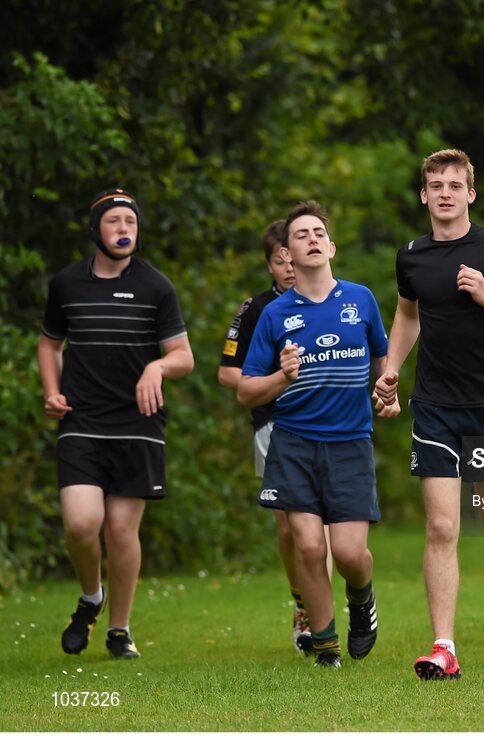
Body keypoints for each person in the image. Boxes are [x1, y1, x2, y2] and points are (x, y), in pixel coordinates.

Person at [374, 149, 484, 680]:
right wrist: (391, 368)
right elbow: (407, 315)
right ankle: (444, 646)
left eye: (455, 184)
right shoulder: (411, 256)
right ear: (424, 195)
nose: (445, 192)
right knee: (442, 525)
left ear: (471, 193)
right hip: (434, 407)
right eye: (435, 185)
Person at [237, 201, 396, 668]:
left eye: (318, 232)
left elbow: (382, 363)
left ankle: (362, 599)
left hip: (349, 441)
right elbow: (246, 390)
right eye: (300, 234)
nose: (310, 239)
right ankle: (326, 643)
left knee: (349, 553)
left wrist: (387, 390)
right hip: (294, 441)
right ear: (286, 253)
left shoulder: (361, 300)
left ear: (330, 245)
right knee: (307, 545)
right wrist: (282, 378)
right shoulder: (274, 315)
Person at [38, 188, 195, 659]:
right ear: (95, 231)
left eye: (131, 221)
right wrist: (51, 391)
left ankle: (119, 629)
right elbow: (49, 344)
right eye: (114, 221)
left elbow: (183, 357)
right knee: (82, 523)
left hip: (138, 423)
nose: (124, 229)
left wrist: (157, 368)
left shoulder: (156, 287)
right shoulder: (67, 284)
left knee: (122, 532)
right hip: (82, 420)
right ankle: (92, 596)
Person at [218, 220, 328, 652]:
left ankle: (325, 615)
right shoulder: (257, 310)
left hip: (327, 423)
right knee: (289, 527)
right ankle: (303, 603)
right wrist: (276, 376)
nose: (287, 266)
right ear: (270, 264)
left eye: (291, 257)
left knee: (325, 523)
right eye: (278, 260)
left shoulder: (332, 300)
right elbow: (228, 373)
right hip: (273, 422)